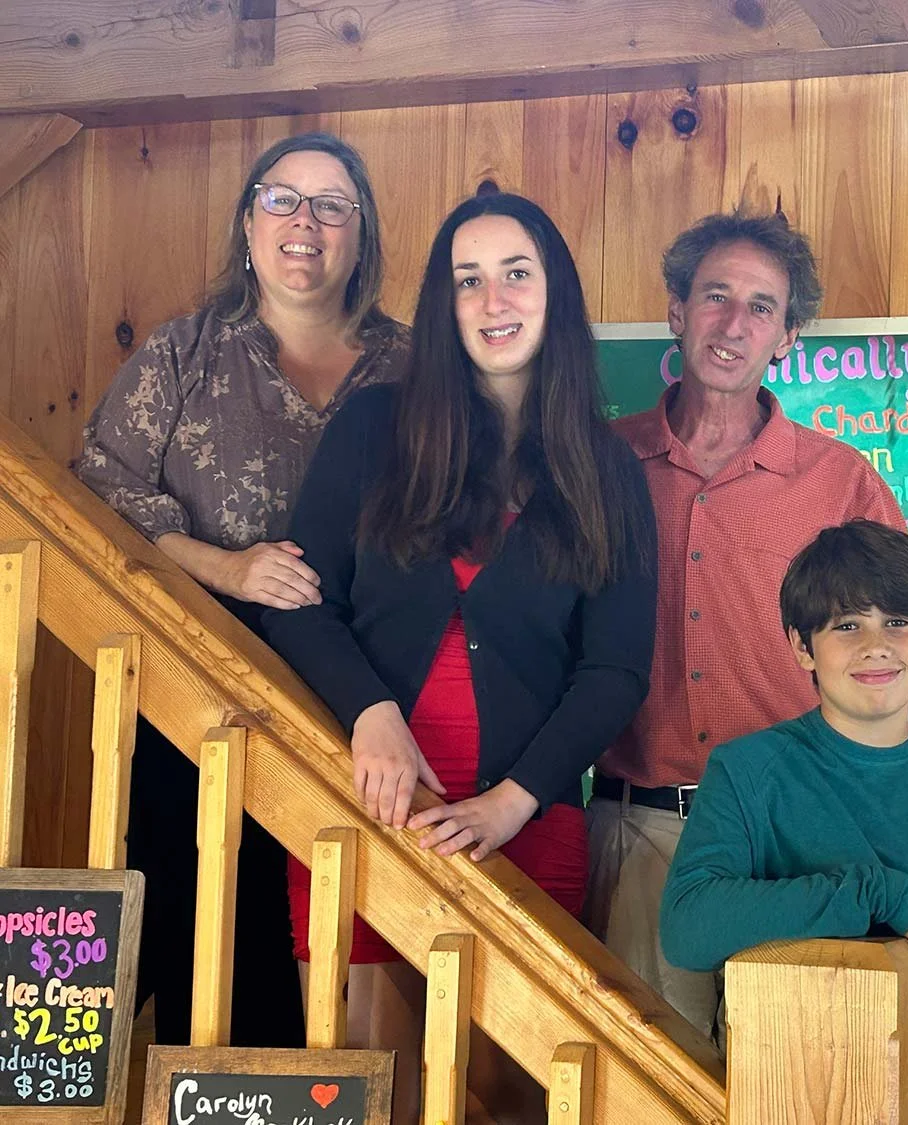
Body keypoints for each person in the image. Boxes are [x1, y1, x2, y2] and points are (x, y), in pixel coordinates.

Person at [262, 190, 657, 1121]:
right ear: (444, 307)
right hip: (363, 810)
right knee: (374, 1096)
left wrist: (510, 804)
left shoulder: (608, 472)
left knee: (508, 1101)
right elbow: (300, 605)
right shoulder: (371, 431)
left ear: (554, 291)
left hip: (528, 825)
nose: (493, 300)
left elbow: (615, 673)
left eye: (516, 273)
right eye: (466, 280)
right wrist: (372, 717)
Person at [586, 210, 908, 1037]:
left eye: (760, 307)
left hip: (801, 840)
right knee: (640, 1085)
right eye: (714, 296)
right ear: (676, 310)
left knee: (796, 1080)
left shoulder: (841, 480)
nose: (732, 324)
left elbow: (899, 653)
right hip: (638, 830)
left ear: (788, 335)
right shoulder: (597, 463)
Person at [77, 131, 404, 1048]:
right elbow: (99, 488)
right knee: (208, 956)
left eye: (333, 205)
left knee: (349, 972)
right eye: (283, 198)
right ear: (249, 220)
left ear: (361, 233)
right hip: (195, 713)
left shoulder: (415, 368)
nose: (306, 223)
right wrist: (227, 567)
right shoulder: (187, 353)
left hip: (363, 717)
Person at [660, 520, 908, 1124]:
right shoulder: (748, 773)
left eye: (897, 622)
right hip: (800, 1107)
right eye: (847, 625)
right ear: (801, 646)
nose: (876, 645)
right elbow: (689, 928)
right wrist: (884, 897)